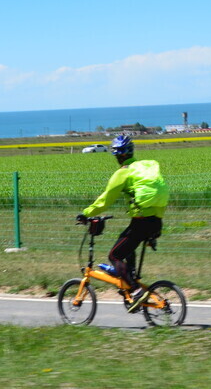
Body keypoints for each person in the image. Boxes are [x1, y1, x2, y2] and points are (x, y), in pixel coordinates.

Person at [78, 134, 169, 313]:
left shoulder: (123, 172)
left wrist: (86, 213)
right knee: (126, 244)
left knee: (115, 256)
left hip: (141, 223)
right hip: (156, 222)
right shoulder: (142, 168)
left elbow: (106, 199)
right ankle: (130, 280)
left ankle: (135, 290)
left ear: (117, 156)